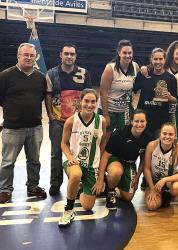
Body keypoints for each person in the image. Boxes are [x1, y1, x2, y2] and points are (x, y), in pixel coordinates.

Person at [0, 43, 47, 203]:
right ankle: (5, 190)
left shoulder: (41, 77)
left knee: (34, 161)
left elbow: (39, 97)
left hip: (35, 127)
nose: (28, 58)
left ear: (35, 57)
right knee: (8, 161)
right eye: (25, 55)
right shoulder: (6, 75)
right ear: (18, 56)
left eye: (31, 55)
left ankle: (33, 186)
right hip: (12, 128)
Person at [46, 43, 92, 196]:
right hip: (58, 121)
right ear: (61, 55)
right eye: (66, 53)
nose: (69, 56)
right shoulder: (51, 73)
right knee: (56, 153)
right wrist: (51, 117)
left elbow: (89, 96)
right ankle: (55, 183)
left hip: (78, 121)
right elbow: (48, 95)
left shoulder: (84, 73)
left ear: (75, 56)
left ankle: (79, 184)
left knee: (79, 152)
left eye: (72, 54)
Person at [58, 89, 107, 227]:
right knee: (76, 175)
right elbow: (63, 143)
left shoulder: (101, 121)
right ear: (81, 101)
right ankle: (68, 210)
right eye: (86, 101)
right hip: (74, 161)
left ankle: (79, 189)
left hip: (92, 165)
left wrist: (99, 175)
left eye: (93, 102)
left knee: (88, 206)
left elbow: (102, 144)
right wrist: (69, 156)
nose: (89, 105)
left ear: (96, 103)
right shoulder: (71, 121)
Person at [98, 109, 153, 210]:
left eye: (142, 121)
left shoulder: (148, 137)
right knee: (116, 172)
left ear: (146, 122)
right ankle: (110, 193)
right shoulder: (120, 133)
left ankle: (109, 184)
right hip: (115, 159)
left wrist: (137, 177)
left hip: (129, 163)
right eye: (136, 121)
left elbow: (143, 160)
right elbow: (105, 156)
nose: (139, 124)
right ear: (131, 121)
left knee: (128, 197)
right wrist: (100, 178)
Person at [98, 39, 140, 137]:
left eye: (130, 53)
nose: (127, 55)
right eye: (124, 53)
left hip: (124, 110)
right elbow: (103, 92)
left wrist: (144, 68)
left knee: (123, 137)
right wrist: (105, 114)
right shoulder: (110, 68)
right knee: (104, 138)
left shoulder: (135, 67)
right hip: (109, 109)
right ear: (119, 53)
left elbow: (138, 86)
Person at [133, 48, 177, 137]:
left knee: (157, 149)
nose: (158, 62)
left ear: (165, 60)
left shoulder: (171, 78)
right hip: (143, 122)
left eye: (160, 59)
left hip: (161, 122)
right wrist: (141, 70)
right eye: (155, 59)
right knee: (142, 149)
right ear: (151, 60)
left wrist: (170, 97)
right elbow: (133, 90)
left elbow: (175, 100)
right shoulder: (143, 74)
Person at [144, 123, 178, 210]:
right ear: (160, 134)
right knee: (151, 206)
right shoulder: (152, 146)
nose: (167, 136)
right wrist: (152, 188)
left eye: (171, 134)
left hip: (169, 181)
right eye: (164, 133)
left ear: (175, 136)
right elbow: (146, 168)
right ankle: (160, 194)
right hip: (155, 181)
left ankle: (168, 194)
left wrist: (165, 179)